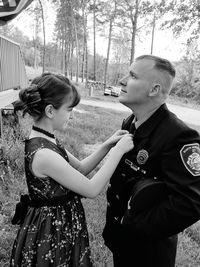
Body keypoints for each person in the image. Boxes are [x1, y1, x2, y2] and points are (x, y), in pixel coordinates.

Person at [10, 72, 134, 267]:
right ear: (50, 111)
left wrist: (107, 145)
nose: (72, 114)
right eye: (69, 109)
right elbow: (91, 189)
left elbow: (81, 169)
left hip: (61, 223)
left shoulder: (46, 139)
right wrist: (118, 152)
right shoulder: (44, 154)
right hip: (51, 231)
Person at [102, 55, 200, 267]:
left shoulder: (179, 136)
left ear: (154, 89)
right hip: (122, 242)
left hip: (148, 253)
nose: (122, 80)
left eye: (133, 75)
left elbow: (190, 203)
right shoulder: (130, 122)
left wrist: (134, 224)